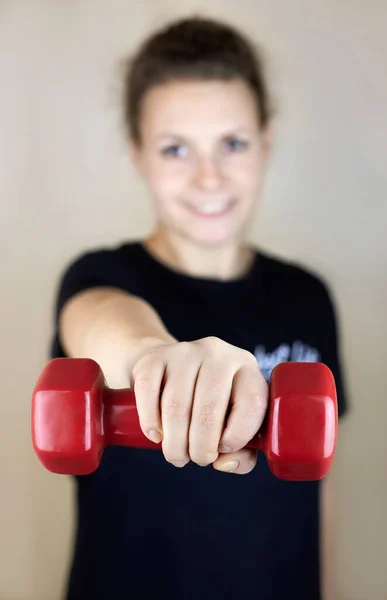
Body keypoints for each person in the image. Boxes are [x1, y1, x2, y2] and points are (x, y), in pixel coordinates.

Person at [50, 16, 347, 600]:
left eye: (232, 143)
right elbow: (100, 320)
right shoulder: (99, 276)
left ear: (266, 141)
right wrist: (150, 355)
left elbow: (321, 484)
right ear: (137, 153)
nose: (209, 178)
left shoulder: (308, 296)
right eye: (176, 148)